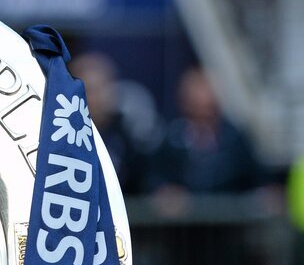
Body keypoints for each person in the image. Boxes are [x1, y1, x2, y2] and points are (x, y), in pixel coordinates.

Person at [150, 66, 268, 195]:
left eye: (208, 110)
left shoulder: (235, 141)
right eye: (197, 109)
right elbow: (153, 180)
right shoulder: (170, 141)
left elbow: (257, 183)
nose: (203, 118)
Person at [69, 52, 157, 195]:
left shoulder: (127, 138)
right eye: (89, 90)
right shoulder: (61, 135)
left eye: (103, 88)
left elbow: (142, 184)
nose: (97, 98)